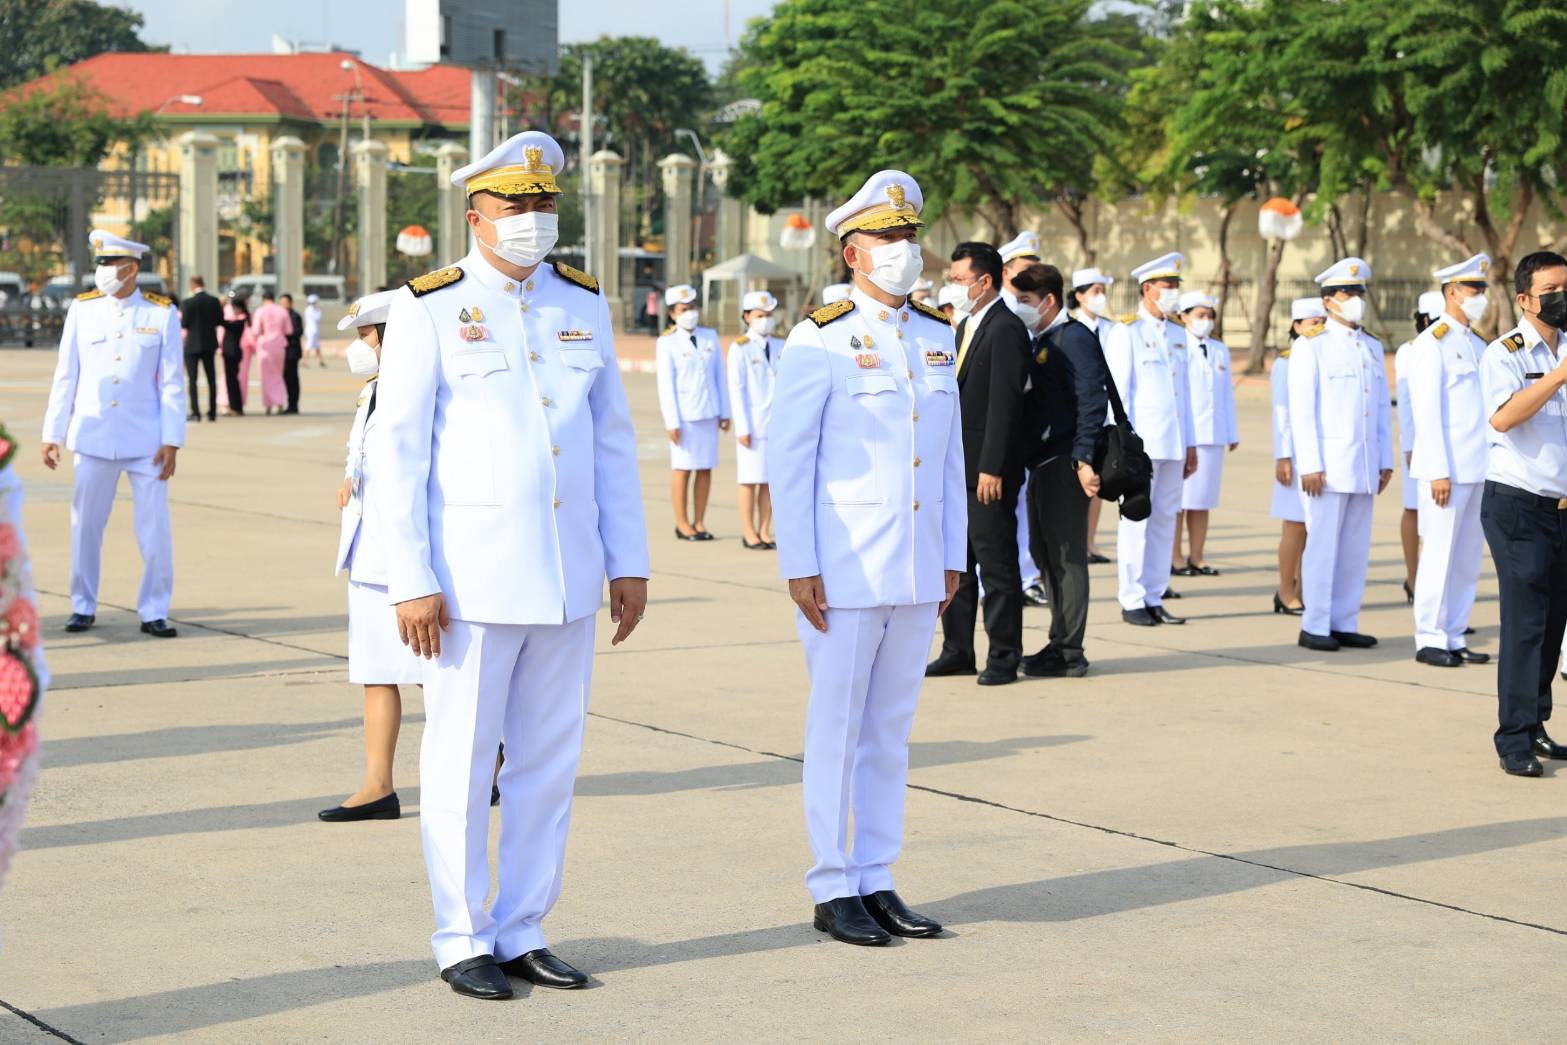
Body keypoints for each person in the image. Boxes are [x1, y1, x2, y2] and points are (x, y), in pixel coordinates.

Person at [374, 129, 649, 998]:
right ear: (475, 215)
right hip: (469, 583)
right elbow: (397, 452)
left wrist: (627, 560)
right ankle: (461, 934)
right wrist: (411, 577)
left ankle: (522, 925)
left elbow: (610, 441)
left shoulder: (581, 302)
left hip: (567, 576)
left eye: (543, 202)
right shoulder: (427, 306)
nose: (533, 216)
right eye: (515, 203)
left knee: (546, 765)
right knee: (460, 765)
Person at [768, 168, 963, 946]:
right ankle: (831, 882)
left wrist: (951, 553)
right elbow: (790, 458)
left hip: (916, 565)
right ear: (852, 252)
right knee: (837, 728)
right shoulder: (819, 336)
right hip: (843, 568)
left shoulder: (936, 334)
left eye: (909, 235)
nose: (902, 249)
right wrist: (798, 562)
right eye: (886, 237)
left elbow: (947, 455)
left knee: (889, 731)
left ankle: (877, 875)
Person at [39, 229, 184, 639]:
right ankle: (82, 605)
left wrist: (172, 440)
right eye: (100, 263)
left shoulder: (161, 314)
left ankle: (154, 609)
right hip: (93, 438)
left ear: (131, 268)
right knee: (85, 526)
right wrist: (53, 433)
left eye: (109, 264)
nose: (102, 270)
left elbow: (172, 383)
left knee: (154, 531)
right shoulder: (82, 310)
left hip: (146, 442)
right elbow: (65, 375)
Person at [319, 289, 422, 822]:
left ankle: (491, 762)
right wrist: (349, 479)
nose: (359, 347)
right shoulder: (374, 390)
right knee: (376, 670)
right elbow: (361, 451)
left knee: (439, 675)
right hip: (368, 549)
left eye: (365, 335)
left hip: (413, 557)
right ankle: (378, 786)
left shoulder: (424, 389)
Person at [926, 240, 1031, 685]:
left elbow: (1005, 405)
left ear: (985, 281)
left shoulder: (1005, 328)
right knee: (958, 565)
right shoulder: (967, 325)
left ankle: (1004, 656)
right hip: (958, 470)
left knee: (996, 565)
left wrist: (993, 467)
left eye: (959, 280)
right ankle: (957, 650)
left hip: (986, 472)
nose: (953, 286)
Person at [1289, 257, 1393, 652]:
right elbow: (1302, 411)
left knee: (1354, 550)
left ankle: (1344, 620)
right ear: (1328, 300)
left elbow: (1380, 407)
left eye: (1359, 292)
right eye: (1348, 293)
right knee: (1322, 548)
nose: (1355, 299)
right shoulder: (1311, 345)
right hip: (1328, 467)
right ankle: (1315, 624)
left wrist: (1384, 459)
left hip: (1363, 465)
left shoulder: (1371, 346)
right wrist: (1310, 464)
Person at [1013, 262, 1108, 678]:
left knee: (1067, 557)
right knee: (1045, 553)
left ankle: (1070, 651)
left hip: (1067, 461)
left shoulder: (1074, 338)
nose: (1020, 307)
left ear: (1048, 300)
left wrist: (1084, 459)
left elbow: (1092, 400)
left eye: (1025, 300)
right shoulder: (1044, 339)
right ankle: (1059, 639)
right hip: (1043, 462)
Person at [1407, 255, 1494, 669]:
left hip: (1478, 468)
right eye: (1474, 289)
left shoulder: (1479, 345)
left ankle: (1456, 634)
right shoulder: (1432, 344)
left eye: (1482, 289)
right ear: (1452, 292)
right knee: (1439, 555)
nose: (1480, 296)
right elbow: (1426, 414)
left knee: (1466, 559)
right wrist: (1438, 471)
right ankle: (1429, 636)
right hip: (1445, 471)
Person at [1103, 252, 1197, 627]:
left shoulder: (1178, 333)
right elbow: (1117, 396)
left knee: (1165, 522)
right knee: (1136, 520)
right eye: (1167, 285)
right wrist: (1123, 446)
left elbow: (1185, 395)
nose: (1173, 291)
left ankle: (1155, 595)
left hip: (1174, 444)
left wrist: (1190, 444)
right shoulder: (1126, 332)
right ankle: (1132, 598)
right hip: (1141, 447)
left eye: (1176, 285)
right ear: (1147, 289)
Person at [1171, 291, 1238, 577]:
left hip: (1213, 434)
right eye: (1200, 315)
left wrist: (1231, 431)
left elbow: (1226, 394)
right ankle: (1174, 557)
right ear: (1183, 316)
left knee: (1203, 500)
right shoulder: (1176, 345)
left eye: (1209, 316)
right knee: (1178, 501)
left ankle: (1197, 557)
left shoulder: (1219, 349)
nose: (1206, 320)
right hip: (1187, 434)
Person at [656, 284, 730, 540]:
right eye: (683, 309)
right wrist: (672, 422)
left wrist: (724, 412)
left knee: (705, 468)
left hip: (708, 413)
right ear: (672, 314)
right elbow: (666, 386)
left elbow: (719, 376)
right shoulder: (667, 342)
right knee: (683, 469)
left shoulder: (710, 336)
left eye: (692, 307)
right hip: (685, 417)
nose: (690, 313)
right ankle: (682, 523)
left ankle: (699, 522)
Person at [997, 231, 1047, 607]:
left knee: (1027, 508)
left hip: (1031, 425)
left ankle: (1027, 577)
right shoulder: (995, 312)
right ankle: (993, 581)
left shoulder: (1032, 309)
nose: (1032, 276)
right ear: (1005, 272)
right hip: (1001, 426)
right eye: (1024, 269)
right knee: (996, 512)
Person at [1271, 298, 1325, 615]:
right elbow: (1282, 413)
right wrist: (1283, 456)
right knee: (1295, 526)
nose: (1319, 328)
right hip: (1294, 457)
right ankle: (1286, 590)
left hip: (1322, 455)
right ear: (1296, 326)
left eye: (1322, 322)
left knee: (1316, 529)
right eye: (1312, 323)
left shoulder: (1329, 355)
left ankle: (1307, 591)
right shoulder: (1286, 362)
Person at [1394, 293, 1444, 604]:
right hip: (1418, 445)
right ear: (1425, 320)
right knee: (1414, 508)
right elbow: (1406, 402)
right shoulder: (1410, 350)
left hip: (1451, 444)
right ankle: (1414, 578)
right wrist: (1411, 445)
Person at [727, 289, 781, 549]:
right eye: (759, 315)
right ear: (747, 317)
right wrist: (742, 427)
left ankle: (764, 530)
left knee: (770, 481)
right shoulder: (740, 348)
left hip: (776, 425)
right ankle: (749, 531)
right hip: (752, 424)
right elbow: (736, 390)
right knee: (750, 480)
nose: (765, 320)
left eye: (768, 315)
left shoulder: (782, 345)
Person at [1069, 267, 1116, 564]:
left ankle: (1090, 542)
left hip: (1105, 416)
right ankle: (1076, 542)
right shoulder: (1070, 327)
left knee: (1097, 481)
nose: (1100, 296)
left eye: (1102, 291)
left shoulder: (1113, 329)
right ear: (1079, 295)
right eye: (1095, 291)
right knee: (1078, 482)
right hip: (1079, 415)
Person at [179, 275, 222, 422]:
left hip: (192, 343)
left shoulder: (188, 302)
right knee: (211, 378)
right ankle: (212, 412)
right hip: (209, 342)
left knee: (192, 379)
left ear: (192, 285)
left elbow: (184, 323)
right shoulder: (214, 301)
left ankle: (196, 412)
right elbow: (219, 320)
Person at [251, 290, 291, 415]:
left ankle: (268, 405)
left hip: (264, 346)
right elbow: (289, 330)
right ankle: (279, 403)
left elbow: (256, 330)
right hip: (279, 345)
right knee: (278, 375)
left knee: (265, 376)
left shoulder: (260, 311)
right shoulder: (282, 311)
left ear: (263, 299)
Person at [219, 292, 253, 415]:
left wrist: (221, 306)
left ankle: (236, 407)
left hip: (233, 353)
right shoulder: (239, 319)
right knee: (232, 381)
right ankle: (235, 406)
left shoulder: (240, 320)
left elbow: (223, 322)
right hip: (231, 352)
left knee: (232, 381)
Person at [280, 292, 305, 414]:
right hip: (284, 352)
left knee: (292, 379)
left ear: (290, 303)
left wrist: (285, 334)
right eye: (281, 303)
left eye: (285, 302)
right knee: (286, 379)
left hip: (292, 352)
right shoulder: (281, 316)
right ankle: (289, 404)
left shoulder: (294, 316)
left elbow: (298, 332)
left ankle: (293, 405)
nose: (283, 305)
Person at [303, 293, 325, 367]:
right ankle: (304, 361)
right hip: (311, 330)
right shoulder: (311, 310)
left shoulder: (310, 309)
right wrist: (319, 310)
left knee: (317, 345)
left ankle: (320, 361)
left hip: (314, 330)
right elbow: (318, 317)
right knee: (308, 345)